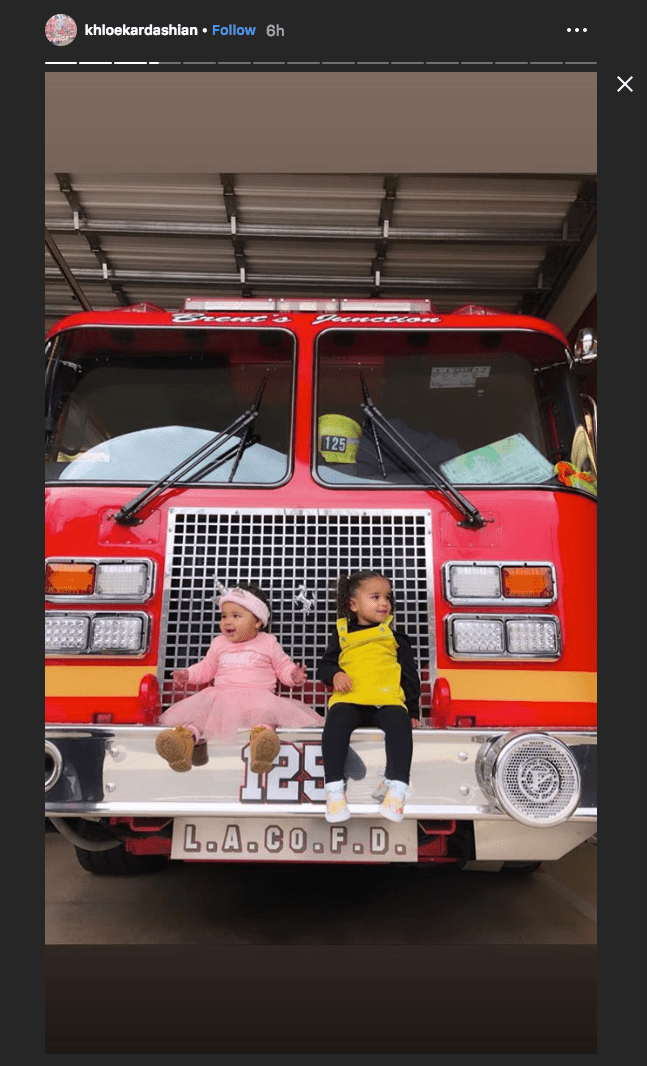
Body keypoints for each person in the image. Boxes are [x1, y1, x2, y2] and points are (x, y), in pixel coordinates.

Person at [155, 583, 323, 774]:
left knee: (263, 720)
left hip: (258, 697)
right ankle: (182, 746)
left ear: (258, 621)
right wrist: (188, 674)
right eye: (224, 616)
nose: (227, 622)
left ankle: (262, 751)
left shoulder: (268, 642)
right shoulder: (219, 643)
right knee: (199, 719)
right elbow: (206, 668)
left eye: (236, 616)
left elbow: (282, 666)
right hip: (221, 697)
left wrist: (293, 675)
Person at [317, 570, 421, 824]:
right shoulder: (342, 635)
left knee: (399, 724)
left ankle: (396, 790)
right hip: (350, 699)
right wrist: (335, 674)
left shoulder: (395, 638)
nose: (384, 603)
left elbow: (409, 676)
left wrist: (413, 711)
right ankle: (334, 790)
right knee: (335, 723)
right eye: (375, 597)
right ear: (353, 605)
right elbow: (324, 666)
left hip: (386, 701)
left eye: (387, 597)